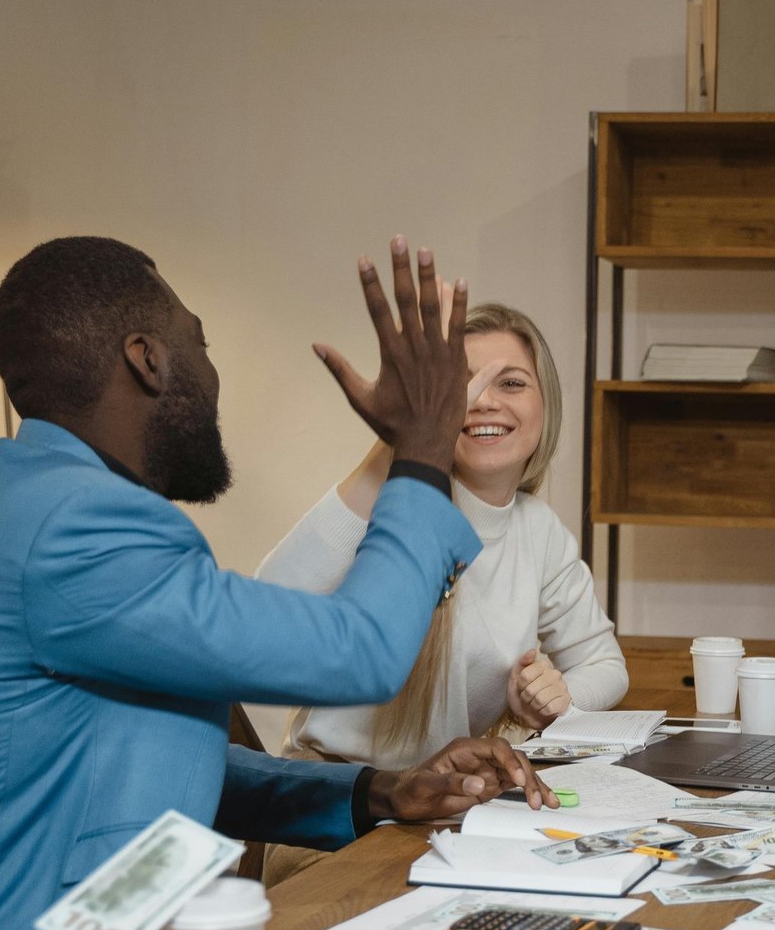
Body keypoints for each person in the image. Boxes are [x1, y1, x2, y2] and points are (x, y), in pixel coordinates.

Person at [0, 235, 555, 930]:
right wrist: (417, 454)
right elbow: (362, 649)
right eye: (202, 341)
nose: (213, 374)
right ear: (147, 360)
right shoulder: (74, 527)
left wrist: (375, 794)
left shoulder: (50, 505)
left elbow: (157, 757)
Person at [259, 300, 626, 769]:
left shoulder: (538, 529)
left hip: (448, 802)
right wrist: (403, 439)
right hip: (338, 804)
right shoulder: (391, 506)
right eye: (462, 386)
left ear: (545, 405)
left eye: (511, 383)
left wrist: (558, 698)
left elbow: (606, 665)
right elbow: (268, 606)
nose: (485, 401)